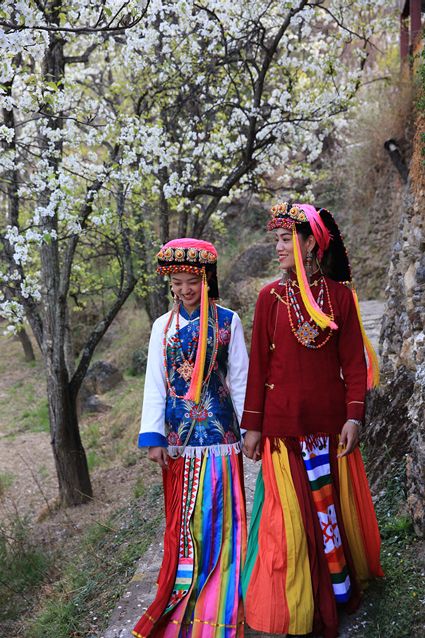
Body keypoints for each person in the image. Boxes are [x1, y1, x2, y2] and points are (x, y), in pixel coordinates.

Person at [241, 202, 383, 638]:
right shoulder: (269, 299)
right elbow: (259, 368)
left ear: (309, 244)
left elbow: (354, 365)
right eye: (276, 240)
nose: (279, 247)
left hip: (328, 429)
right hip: (282, 429)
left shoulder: (339, 298)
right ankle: (295, 599)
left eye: (287, 239)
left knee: (328, 516)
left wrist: (354, 418)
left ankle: (336, 590)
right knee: (288, 522)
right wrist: (253, 426)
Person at [133, 238, 248, 638]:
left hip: (220, 437)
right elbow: (155, 383)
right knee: (184, 526)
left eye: (192, 282)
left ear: (207, 279)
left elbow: (239, 379)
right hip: (178, 441)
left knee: (223, 521)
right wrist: (153, 437)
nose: (184, 290)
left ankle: (221, 604)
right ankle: (186, 598)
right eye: (177, 283)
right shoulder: (161, 328)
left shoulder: (228, 322)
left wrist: (251, 430)